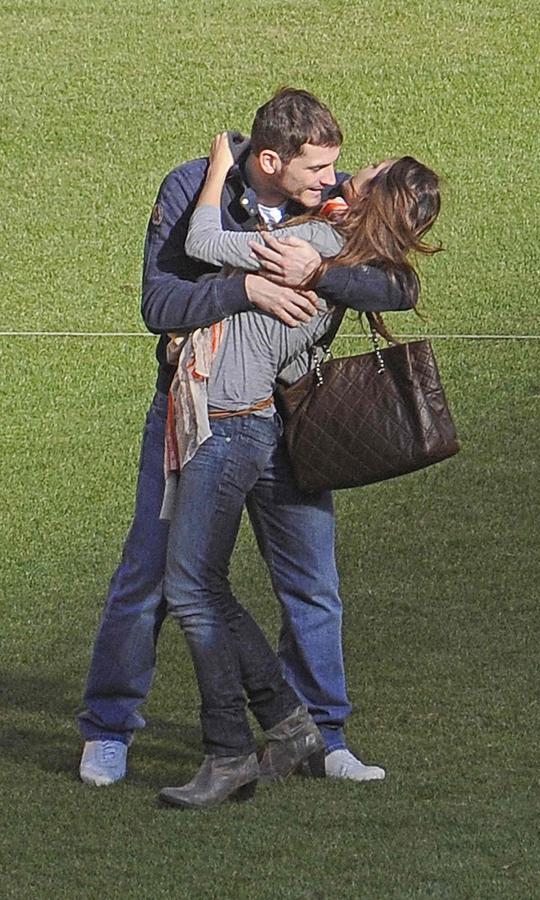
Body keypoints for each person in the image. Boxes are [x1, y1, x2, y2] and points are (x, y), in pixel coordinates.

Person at [78, 88, 411, 786]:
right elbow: (158, 304)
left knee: (312, 583)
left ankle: (324, 735)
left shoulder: (332, 203)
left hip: (293, 423)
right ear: (269, 160)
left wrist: (319, 271)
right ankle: (109, 728)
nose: (334, 179)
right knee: (149, 578)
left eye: (338, 168)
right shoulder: (192, 188)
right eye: (319, 168)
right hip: (199, 415)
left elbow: (399, 288)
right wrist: (247, 289)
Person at [156, 137, 441, 808]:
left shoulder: (312, 243)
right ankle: (289, 731)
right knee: (200, 584)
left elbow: (202, 239)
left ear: (368, 196)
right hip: (256, 418)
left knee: (198, 587)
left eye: (362, 173)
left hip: (235, 425)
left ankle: (256, 741)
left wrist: (221, 166)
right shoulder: (343, 250)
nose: (347, 173)